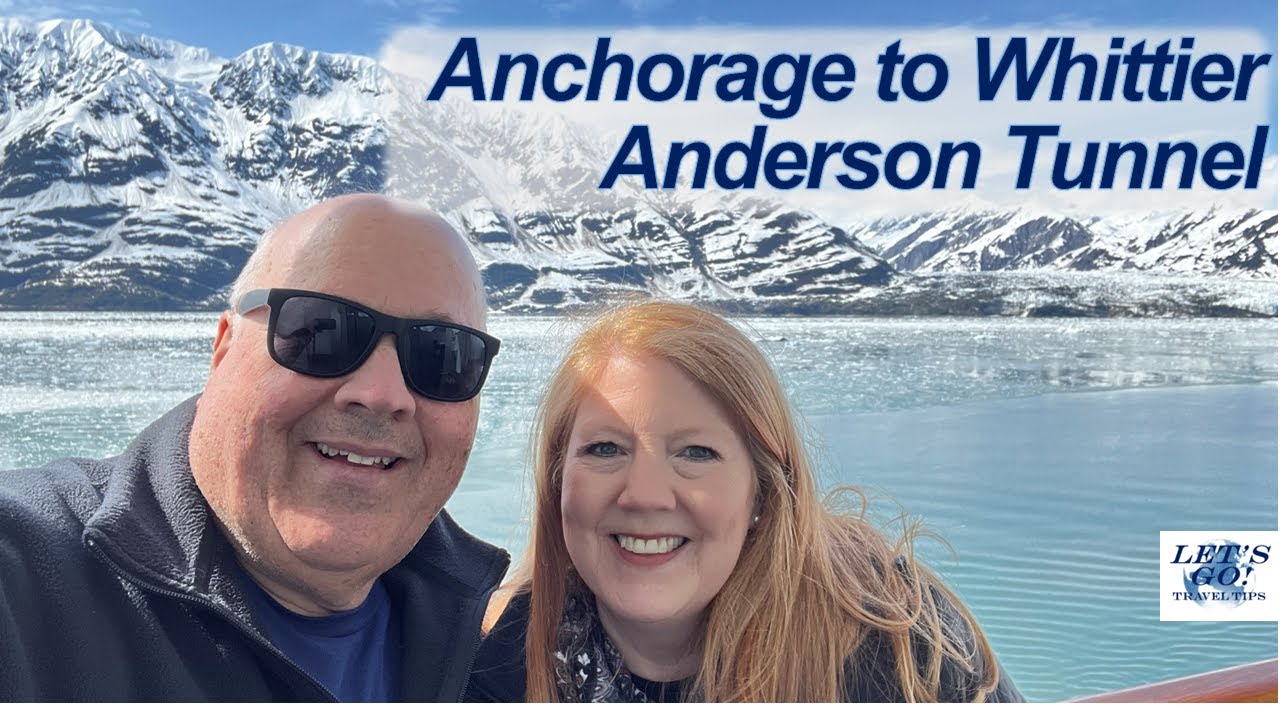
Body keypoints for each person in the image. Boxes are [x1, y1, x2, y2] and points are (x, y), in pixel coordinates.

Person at [0, 194, 509, 701]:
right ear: (223, 349)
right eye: (319, 332)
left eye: (444, 355)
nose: (382, 395)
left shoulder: (499, 647)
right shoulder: (26, 581)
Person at [466, 301, 1024, 703]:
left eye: (697, 453)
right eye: (606, 448)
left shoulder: (891, 643)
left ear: (764, 491)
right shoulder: (499, 663)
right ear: (559, 480)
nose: (644, 494)